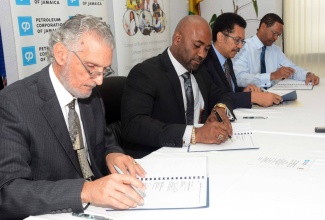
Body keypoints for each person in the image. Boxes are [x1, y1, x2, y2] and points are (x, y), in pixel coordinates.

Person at [0, 14, 146, 219]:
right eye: (91, 68)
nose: (100, 81)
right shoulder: (13, 104)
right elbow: (8, 192)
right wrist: (86, 191)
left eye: (105, 70)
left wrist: (112, 154)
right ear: (61, 53)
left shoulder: (90, 93)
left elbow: (104, 140)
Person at [121, 15, 234, 158]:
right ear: (177, 39)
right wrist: (195, 134)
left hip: (198, 153)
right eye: (197, 46)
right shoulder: (145, 73)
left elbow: (221, 94)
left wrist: (220, 109)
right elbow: (134, 125)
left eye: (206, 49)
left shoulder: (199, 70)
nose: (202, 54)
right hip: (158, 156)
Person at [203, 13, 282, 108]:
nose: (240, 46)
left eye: (242, 41)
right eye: (237, 40)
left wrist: (243, 91)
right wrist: (251, 97)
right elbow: (214, 98)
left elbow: (230, 92)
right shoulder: (205, 62)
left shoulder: (227, 60)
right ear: (220, 37)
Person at [233, 13, 320, 88]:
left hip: (274, 94)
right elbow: (240, 78)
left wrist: (307, 74)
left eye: (278, 35)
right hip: (251, 98)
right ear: (263, 27)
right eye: (274, 33)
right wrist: (272, 76)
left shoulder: (275, 50)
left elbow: (291, 69)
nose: (275, 38)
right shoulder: (242, 47)